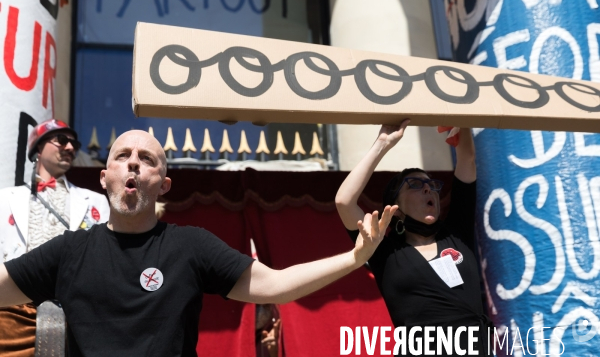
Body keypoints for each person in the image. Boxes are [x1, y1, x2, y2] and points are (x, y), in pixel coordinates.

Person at [0, 130, 396, 356]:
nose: (134, 162)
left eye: (147, 158)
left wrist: (354, 257)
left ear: (164, 184)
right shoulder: (70, 251)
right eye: (122, 156)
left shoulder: (189, 246)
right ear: (104, 178)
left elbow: (275, 284)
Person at [335, 120, 490, 356]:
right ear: (395, 208)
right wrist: (383, 143)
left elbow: (467, 160)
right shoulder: (383, 252)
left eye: (431, 184)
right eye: (416, 185)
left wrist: (462, 122)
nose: (428, 189)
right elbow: (344, 202)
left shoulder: (457, 233)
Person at [0, 119, 110, 356]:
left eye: (74, 143)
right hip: (13, 313)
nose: (70, 148)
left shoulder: (96, 201)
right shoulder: (5, 199)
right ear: (38, 148)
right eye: (61, 140)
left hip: (74, 312)